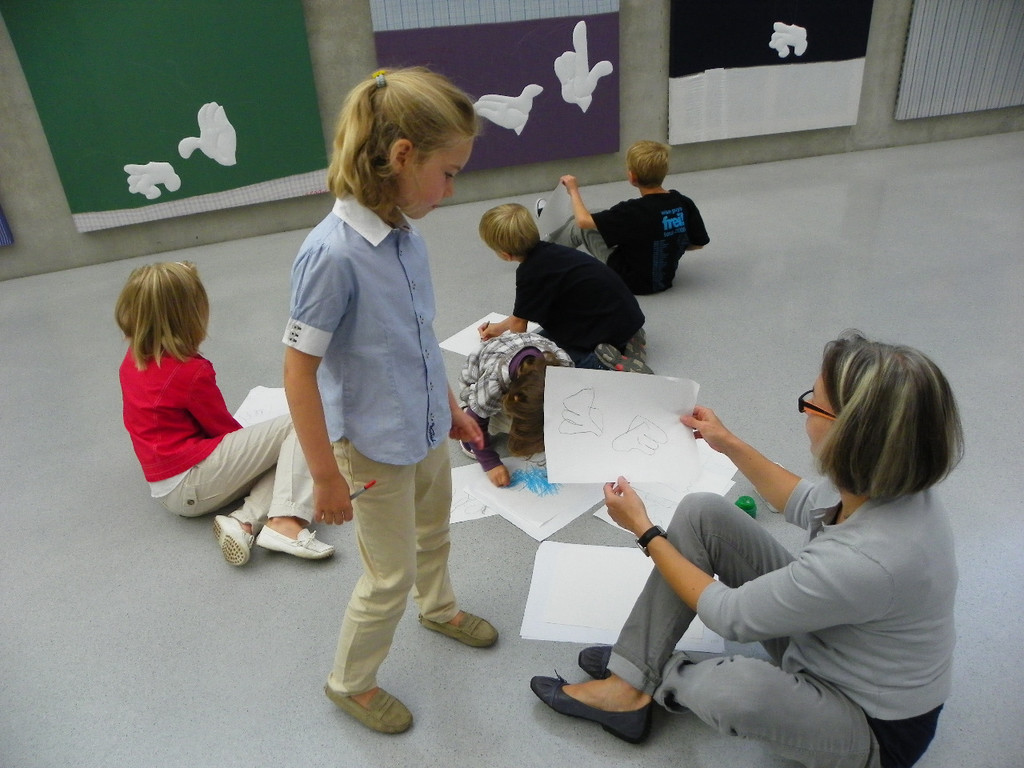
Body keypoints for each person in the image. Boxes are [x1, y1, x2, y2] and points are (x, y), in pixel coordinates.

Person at [530, 330, 963, 768]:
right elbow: (800, 499)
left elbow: (730, 615)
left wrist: (644, 531)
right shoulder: (888, 482)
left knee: (734, 689)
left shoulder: (868, 559)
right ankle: (630, 679)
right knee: (702, 513)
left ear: (850, 434)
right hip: (833, 643)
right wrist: (728, 442)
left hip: (872, 727)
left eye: (813, 404)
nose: (805, 412)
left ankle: (650, 677)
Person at [281, 67, 497, 735]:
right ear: (403, 156)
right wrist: (324, 476)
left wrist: (451, 407)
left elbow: (418, 335)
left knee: (435, 532)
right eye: (448, 172)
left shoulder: (406, 234)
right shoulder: (331, 256)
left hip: (425, 427)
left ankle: (439, 608)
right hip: (372, 446)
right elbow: (298, 372)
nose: (452, 189)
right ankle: (350, 682)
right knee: (387, 577)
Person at [115, 261, 334, 566]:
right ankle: (285, 520)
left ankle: (243, 523)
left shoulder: (133, 360)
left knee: (289, 454)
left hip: (167, 488)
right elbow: (222, 429)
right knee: (302, 426)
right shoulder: (189, 372)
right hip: (193, 482)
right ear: (191, 314)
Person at [478, 202, 652, 373]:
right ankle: (629, 340)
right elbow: (522, 314)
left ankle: (602, 364)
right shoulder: (552, 252)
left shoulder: (529, 273)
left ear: (506, 255)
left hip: (604, 328)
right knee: (542, 338)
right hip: (625, 318)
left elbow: (519, 325)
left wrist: (518, 362)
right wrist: (499, 328)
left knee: (546, 355)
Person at [543, 139, 710, 295]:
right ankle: (558, 234)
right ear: (665, 171)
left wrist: (573, 190)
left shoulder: (632, 210)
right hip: (664, 280)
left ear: (632, 177)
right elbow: (698, 244)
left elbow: (583, 222)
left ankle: (542, 251)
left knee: (579, 227)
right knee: (598, 214)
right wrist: (667, 241)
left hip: (630, 282)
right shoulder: (683, 202)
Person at [458, 331, 573, 486]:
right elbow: (475, 423)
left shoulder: (564, 367)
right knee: (488, 420)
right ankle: (466, 412)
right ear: (516, 399)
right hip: (477, 376)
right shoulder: (493, 386)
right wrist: (490, 463)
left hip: (519, 348)